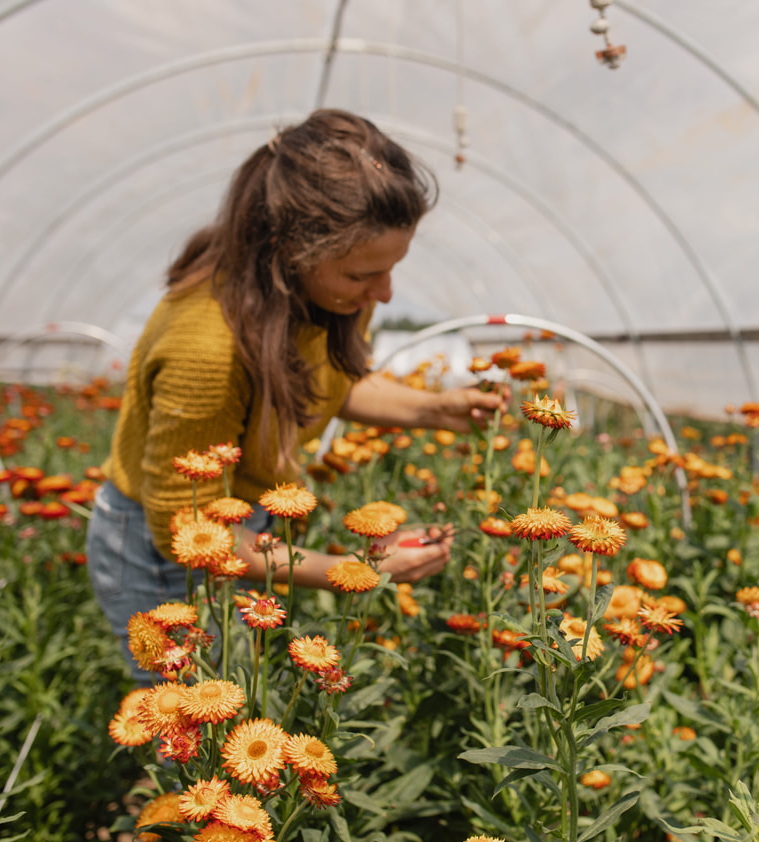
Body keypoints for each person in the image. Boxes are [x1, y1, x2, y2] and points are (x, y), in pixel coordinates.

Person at [86, 109, 503, 683]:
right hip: (162, 553)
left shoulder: (327, 297)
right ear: (288, 250)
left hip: (247, 525)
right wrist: (360, 569)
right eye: (361, 275)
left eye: (391, 268)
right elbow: (189, 531)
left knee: (245, 703)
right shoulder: (206, 346)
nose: (383, 292)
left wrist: (436, 409)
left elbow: (330, 382)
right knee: (194, 736)